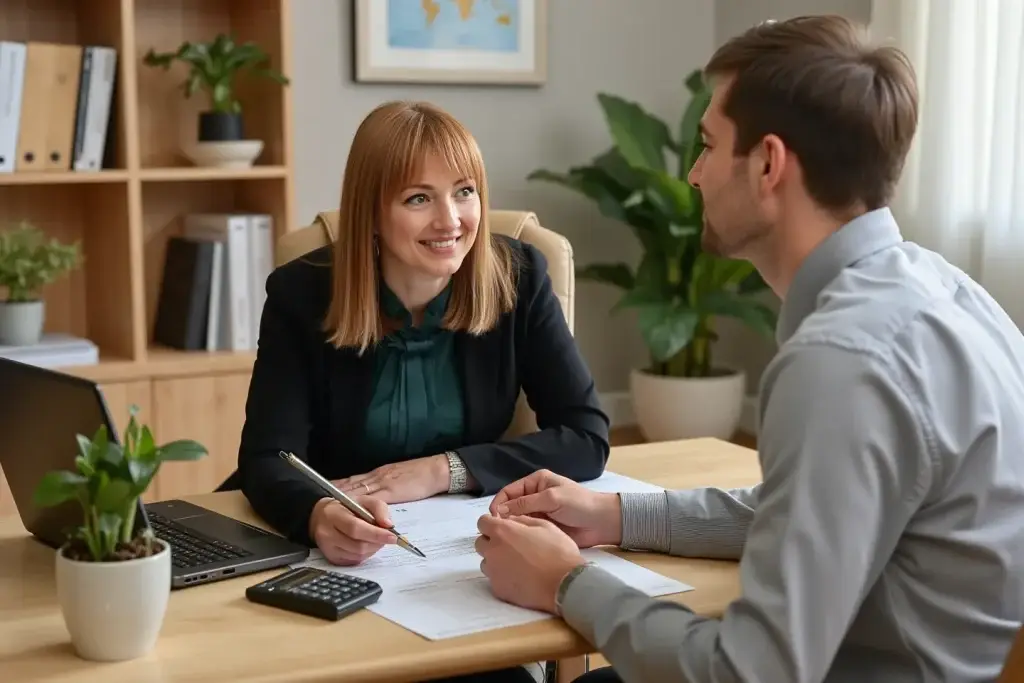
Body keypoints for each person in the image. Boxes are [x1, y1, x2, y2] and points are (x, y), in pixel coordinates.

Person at [473, 14, 1024, 683]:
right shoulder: (951, 293)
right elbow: (809, 512)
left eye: (708, 145)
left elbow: (749, 672)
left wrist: (565, 581)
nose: (695, 174)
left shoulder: (841, 360)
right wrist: (614, 515)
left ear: (768, 164)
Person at [232, 100, 609, 682]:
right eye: (418, 199)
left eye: (464, 192)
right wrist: (318, 514)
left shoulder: (519, 277)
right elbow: (266, 457)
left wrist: (444, 470)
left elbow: (586, 436)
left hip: (458, 567)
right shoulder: (300, 294)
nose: (450, 220)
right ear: (372, 212)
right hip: (345, 570)